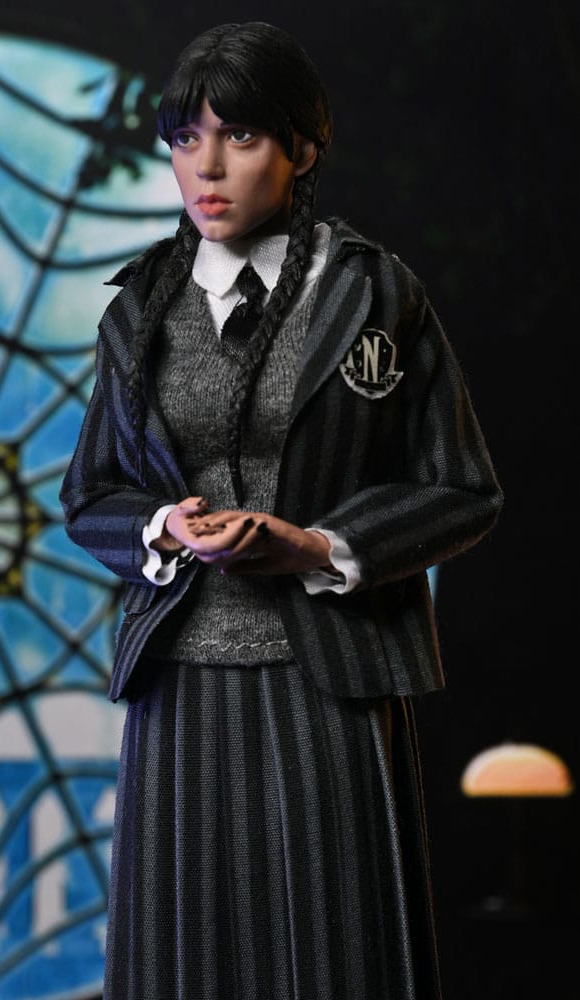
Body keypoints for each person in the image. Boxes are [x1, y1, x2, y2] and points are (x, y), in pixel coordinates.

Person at [60, 20, 503, 1000]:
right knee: (182, 960)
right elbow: (89, 494)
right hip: (178, 683)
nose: (207, 167)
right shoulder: (136, 310)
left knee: (341, 957)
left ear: (303, 148)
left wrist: (318, 544)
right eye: (186, 139)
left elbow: (463, 488)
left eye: (241, 136)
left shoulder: (376, 294)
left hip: (332, 678)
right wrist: (162, 529)